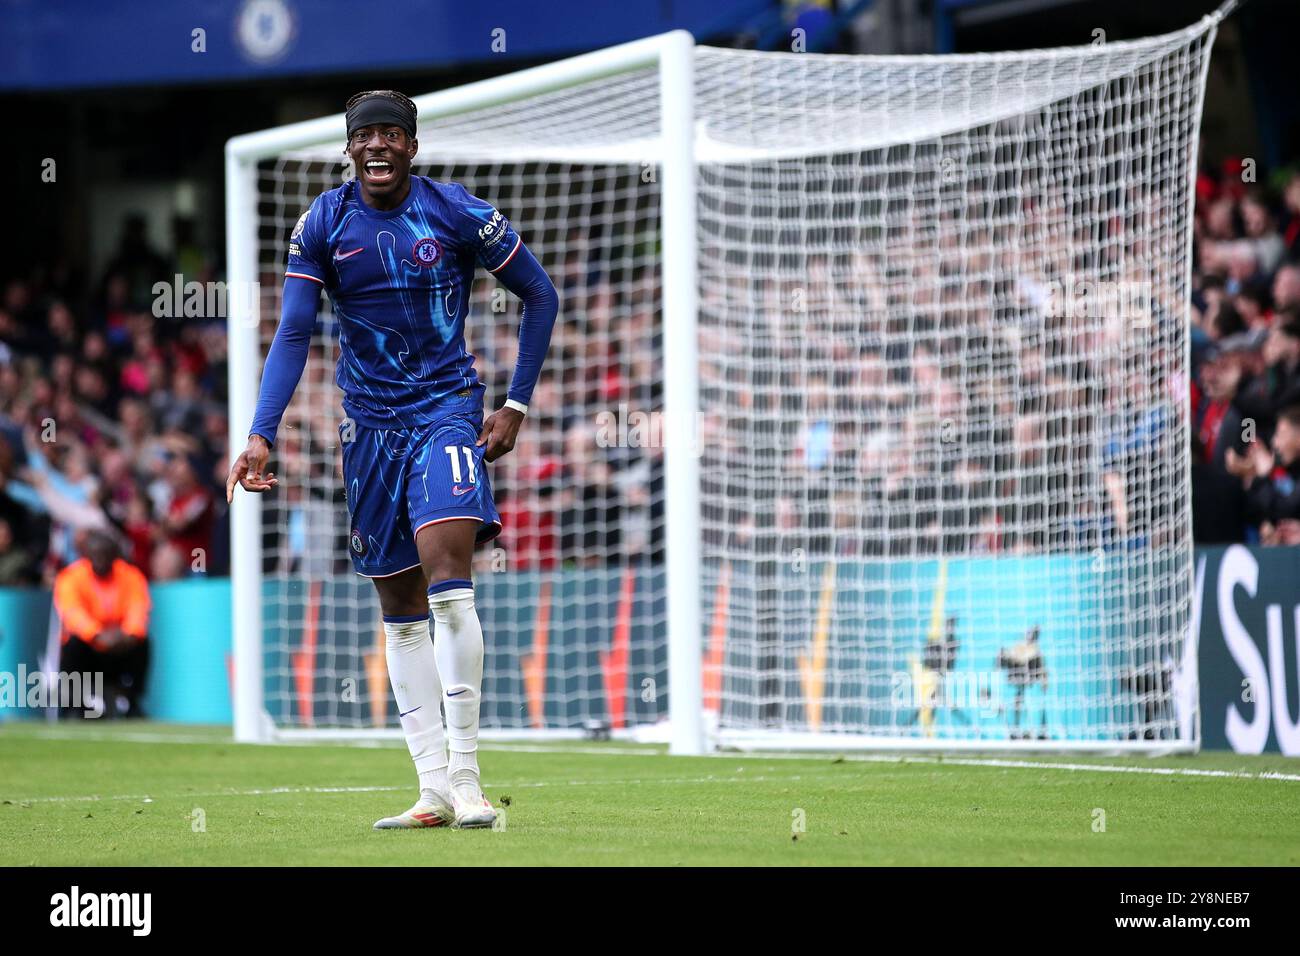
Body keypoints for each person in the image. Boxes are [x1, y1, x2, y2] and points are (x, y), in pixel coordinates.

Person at [226, 90, 558, 829]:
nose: (377, 146)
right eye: (364, 135)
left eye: (391, 134)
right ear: (348, 148)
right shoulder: (323, 223)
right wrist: (261, 431)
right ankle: (433, 789)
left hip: (446, 414)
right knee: (400, 608)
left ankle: (471, 783)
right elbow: (291, 335)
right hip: (368, 431)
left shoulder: (458, 212)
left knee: (450, 582)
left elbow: (539, 293)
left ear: (412, 145)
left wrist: (517, 404)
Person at [53, 530, 151, 718]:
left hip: (120, 645)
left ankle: (132, 701)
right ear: (87, 555)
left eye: (106, 555)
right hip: (89, 646)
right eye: (96, 555)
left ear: (114, 556)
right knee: (73, 644)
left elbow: (139, 609)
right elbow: (73, 613)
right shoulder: (71, 577)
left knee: (143, 644)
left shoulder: (130, 576)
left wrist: (128, 634)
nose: (101, 560)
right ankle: (75, 705)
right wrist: (97, 634)